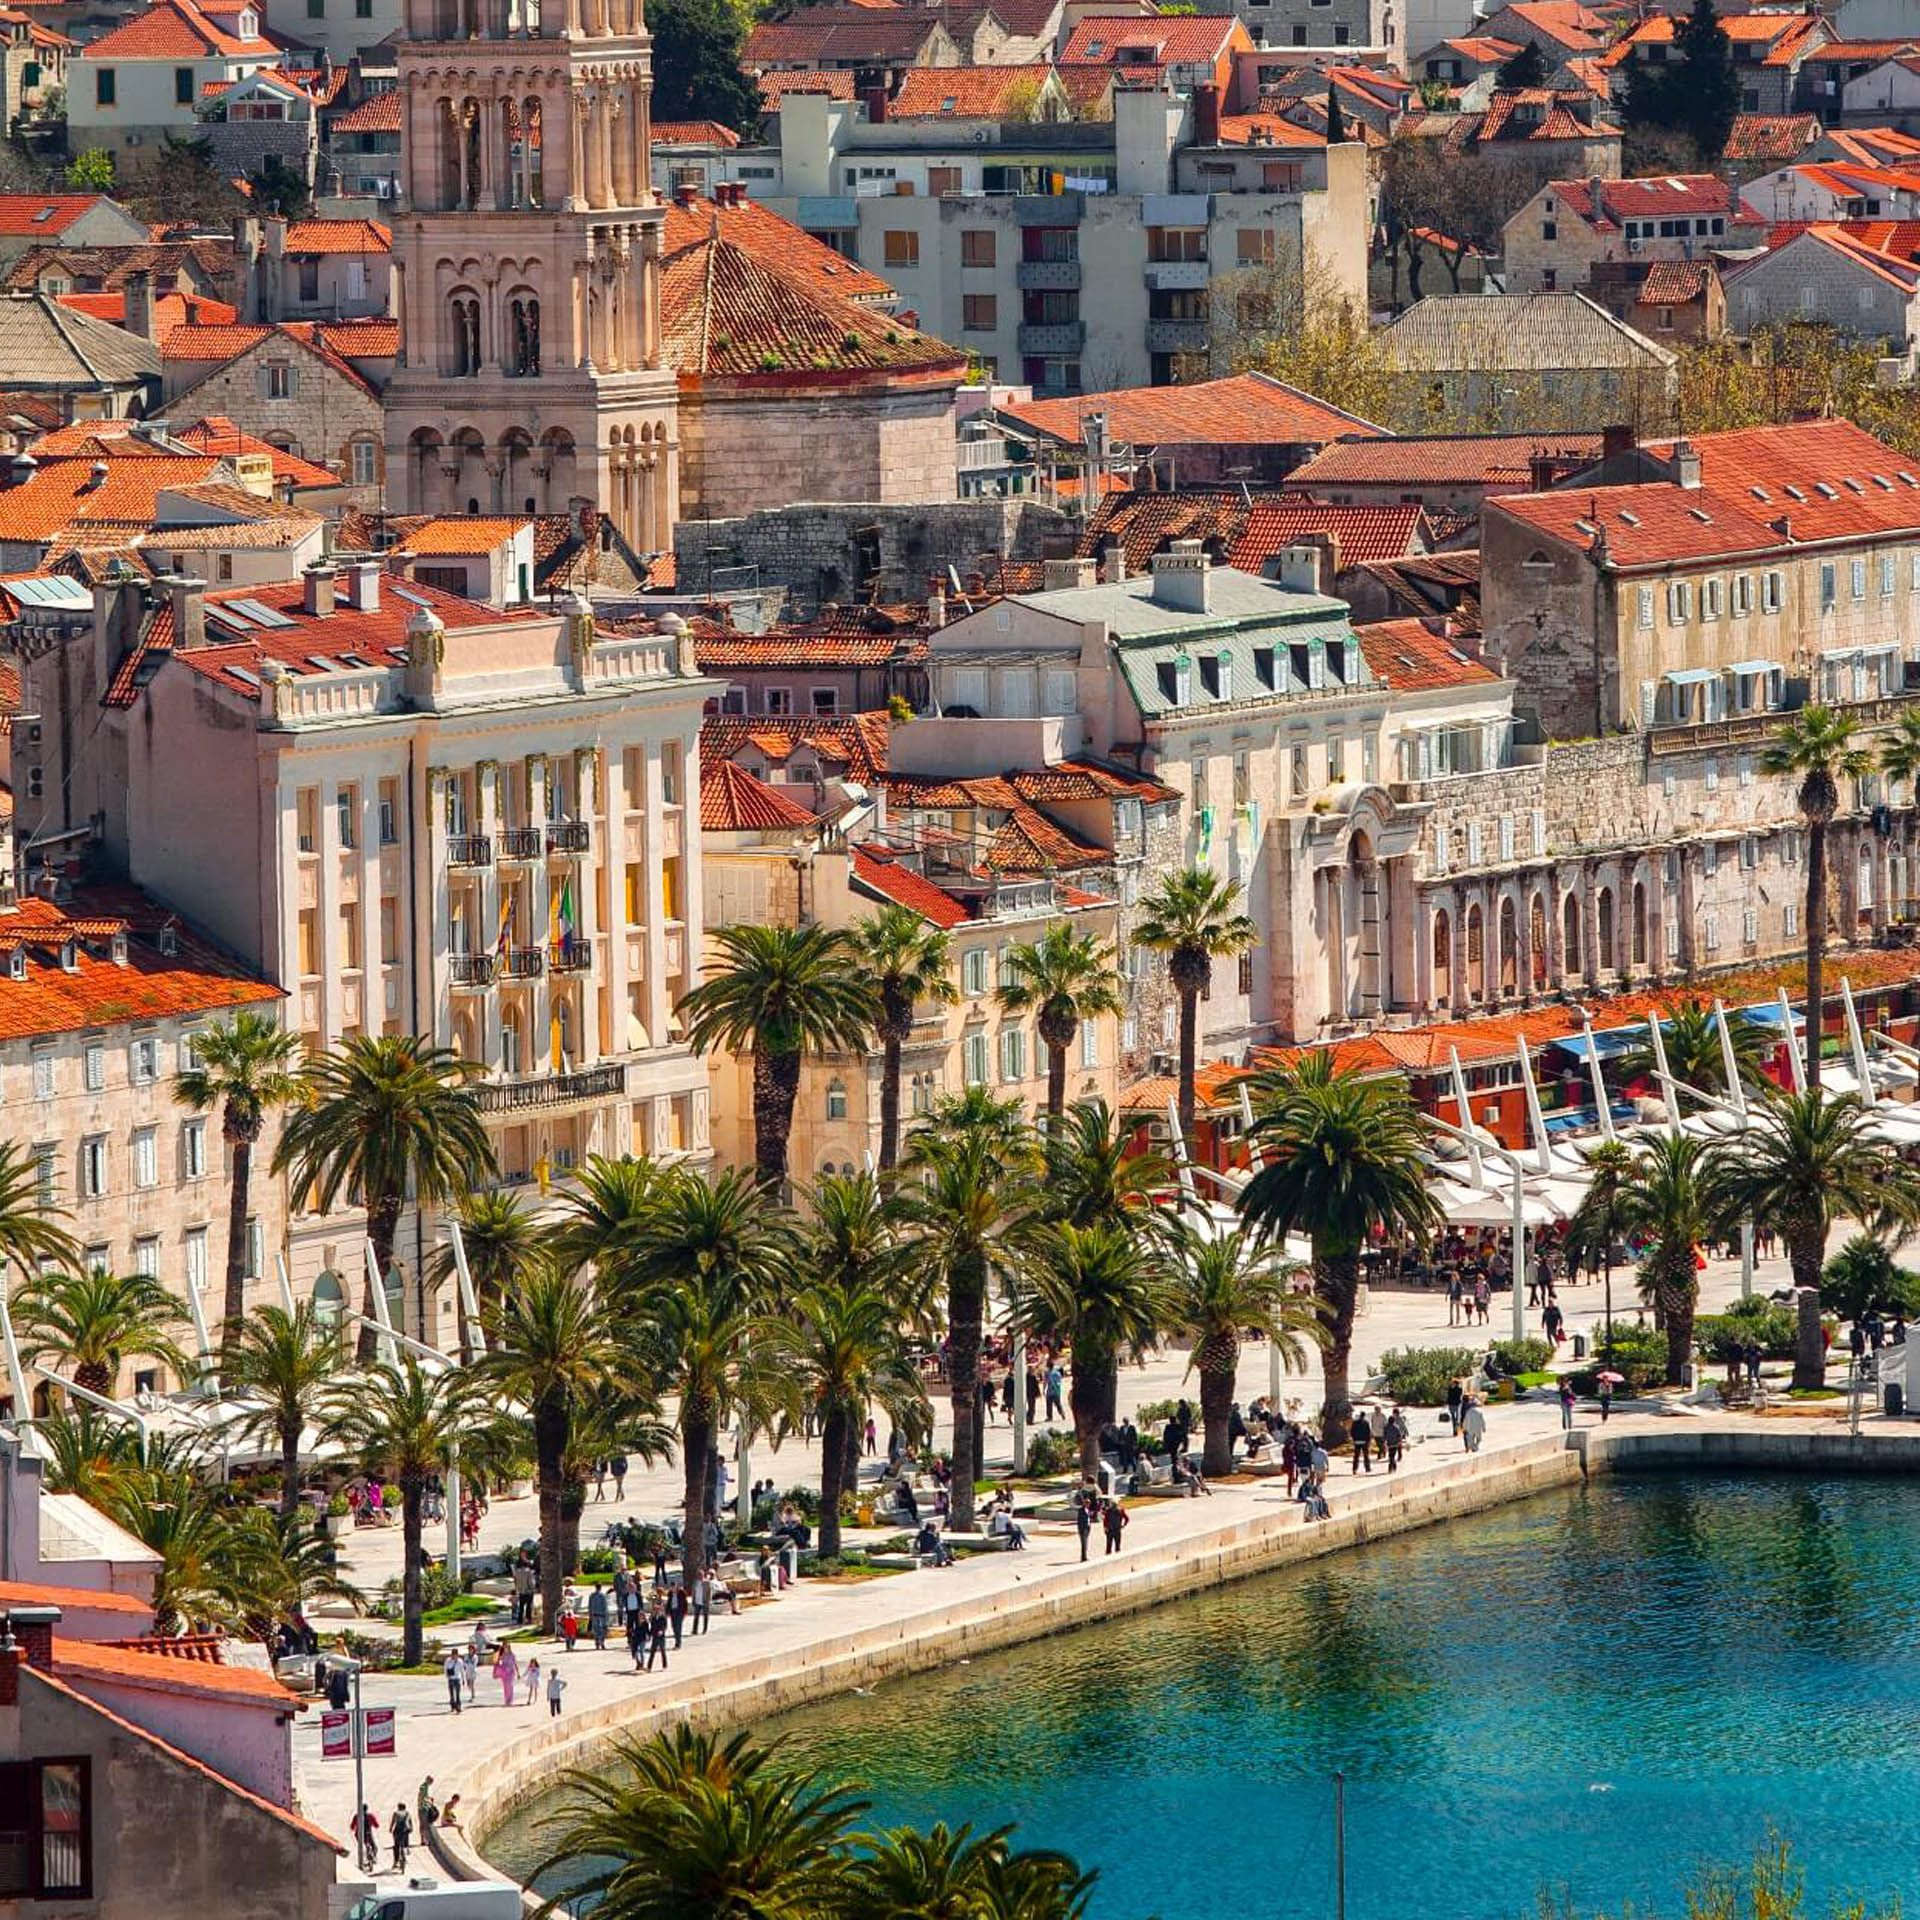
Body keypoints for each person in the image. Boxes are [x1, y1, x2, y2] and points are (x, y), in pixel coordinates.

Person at [351, 1803, 379, 1873]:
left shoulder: (356, 1816)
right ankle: (374, 1857)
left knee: (362, 1847)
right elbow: (376, 1825)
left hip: (359, 1835)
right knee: (375, 1847)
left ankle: (364, 1858)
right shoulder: (370, 1816)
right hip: (368, 1834)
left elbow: (352, 1827)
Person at [647, 1599, 671, 1670]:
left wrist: (662, 1631)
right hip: (655, 1636)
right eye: (655, 1609)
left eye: (658, 1608)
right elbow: (651, 1627)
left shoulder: (663, 1617)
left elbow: (665, 1626)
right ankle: (649, 1666)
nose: (657, 1610)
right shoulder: (653, 1617)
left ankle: (664, 1665)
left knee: (662, 1651)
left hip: (661, 1637)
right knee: (652, 1651)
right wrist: (649, 1635)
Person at [494, 1641, 519, 1707]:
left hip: (511, 1672)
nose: (506, 1648)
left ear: (509, 1647)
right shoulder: (502, 1654)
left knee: (510, 1686)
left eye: (507, 1647)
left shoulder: (512, 1655)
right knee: (505, 1687)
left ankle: (510, 1700)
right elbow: (497, 1661)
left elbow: (515, 1664)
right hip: (504, 1672)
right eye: (504, 1647)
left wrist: (518, 1673)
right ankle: (506, 1700)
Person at [390, 1801, 413, 1872]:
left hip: (397, 1830)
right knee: (404, 1844)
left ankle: (396, 1861)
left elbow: (393, 1822)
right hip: (405, 1830)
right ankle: (406, 1852)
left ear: (398, 1807)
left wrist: (390, 1828)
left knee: (396, 1845)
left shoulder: (396, 1813)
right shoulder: (407, 1813)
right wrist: (411, 1828)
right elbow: (410, 1822)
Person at [1384, 1405, 1408, 1472]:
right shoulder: (1395, 1427)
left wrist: (1405, 1432)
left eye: (1394, 1413)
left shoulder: (1398, 1420)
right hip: (1395, 1442)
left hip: (1391, 1443)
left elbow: (1403, 1426)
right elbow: (1398, 1434)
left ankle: (1392, 1466)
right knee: (1392, 1455)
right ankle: (1393, 1466)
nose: (1393, 1414)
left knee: (1391, 1455)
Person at [588, 1583, 610, 1653]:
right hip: (601, 1615)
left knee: (596, 1629)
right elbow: (605, 1606)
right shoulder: (602, 1596)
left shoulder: (592, 1596)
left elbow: (590, 1606)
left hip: (595, 1615)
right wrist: (606, 1616)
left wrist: (590, 1615)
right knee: (602, 1629)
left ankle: (598, 1642)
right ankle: (601, 1642)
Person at [666, 1579, 689, 1648]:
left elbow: (685, 1603)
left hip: (679, 1612)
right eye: (671, 1587)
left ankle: (678, 1643)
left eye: (674, 1586)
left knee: (678, 1626)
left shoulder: (681, 1593)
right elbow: (668, 1603)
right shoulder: (670, 1593)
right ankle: (677, 1639)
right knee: (673, 1626)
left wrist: (685, 1612)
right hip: (672, 1611)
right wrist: (667, 1612)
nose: (673, 1588)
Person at [1350, 1407, 1373, 1473]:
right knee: (1366, 1456)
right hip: (1364, 1442)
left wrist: (1354, 1439)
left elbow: (1352, 1431)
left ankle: (1354, 1469)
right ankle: (1367, 1468)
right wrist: (1368, 1441)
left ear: (1360, 1415)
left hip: (1357, 1441)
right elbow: (1368, 1433)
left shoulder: (1355, 1423)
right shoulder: (1366, 1423)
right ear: (1364, 1416)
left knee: (1356, 1456)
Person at [443, 1648, 463, 1713]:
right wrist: (447, 1676)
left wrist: (463, 1679)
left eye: (455, 1654)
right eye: (453, 1654)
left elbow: (462, 1670)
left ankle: (458, 1707)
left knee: (458, 1694)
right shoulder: (448, 1660)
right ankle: (453, 1706)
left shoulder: (460, 1661)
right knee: (451, 1694)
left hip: (457, 1678)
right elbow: (445, 1668)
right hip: (451, 1678)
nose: (454, 1656)